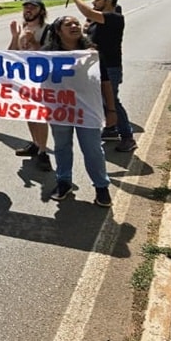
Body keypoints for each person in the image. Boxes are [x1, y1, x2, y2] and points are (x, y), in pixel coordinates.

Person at [44, 16, 113, 207]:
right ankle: (63, 182)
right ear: (58, 31)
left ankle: (101, 187)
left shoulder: (93, 53)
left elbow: (105, 82)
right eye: (68, 24)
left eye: (76, 23)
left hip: (87, 109)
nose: (74, 26)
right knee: (62, 147)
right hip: (60, 110)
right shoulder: (48, 54)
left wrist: (111, 109)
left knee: (92, 149)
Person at [68, 0, 137, 152]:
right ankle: (111, 129)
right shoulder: (98, 20)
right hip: (96, 67)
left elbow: (88, 13)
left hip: (110, 67)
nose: (94, 1)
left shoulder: (115, 17)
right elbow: (88, 29)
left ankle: (127, 136)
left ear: (109, 1)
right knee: (102, 100)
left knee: (111, 100)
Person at [9, 0, 52, 169]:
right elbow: (12, 53)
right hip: (24, 79)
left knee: (40, 115)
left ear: (41, 11)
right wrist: (14, 36)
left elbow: (51, 55)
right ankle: (35, 143)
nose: (28, 10)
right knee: (29, 113)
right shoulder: (22, 29)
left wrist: (34, 42)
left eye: (32, 7)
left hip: (41, 80)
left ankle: (43, 152)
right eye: (26, 7)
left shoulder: (48, 30)